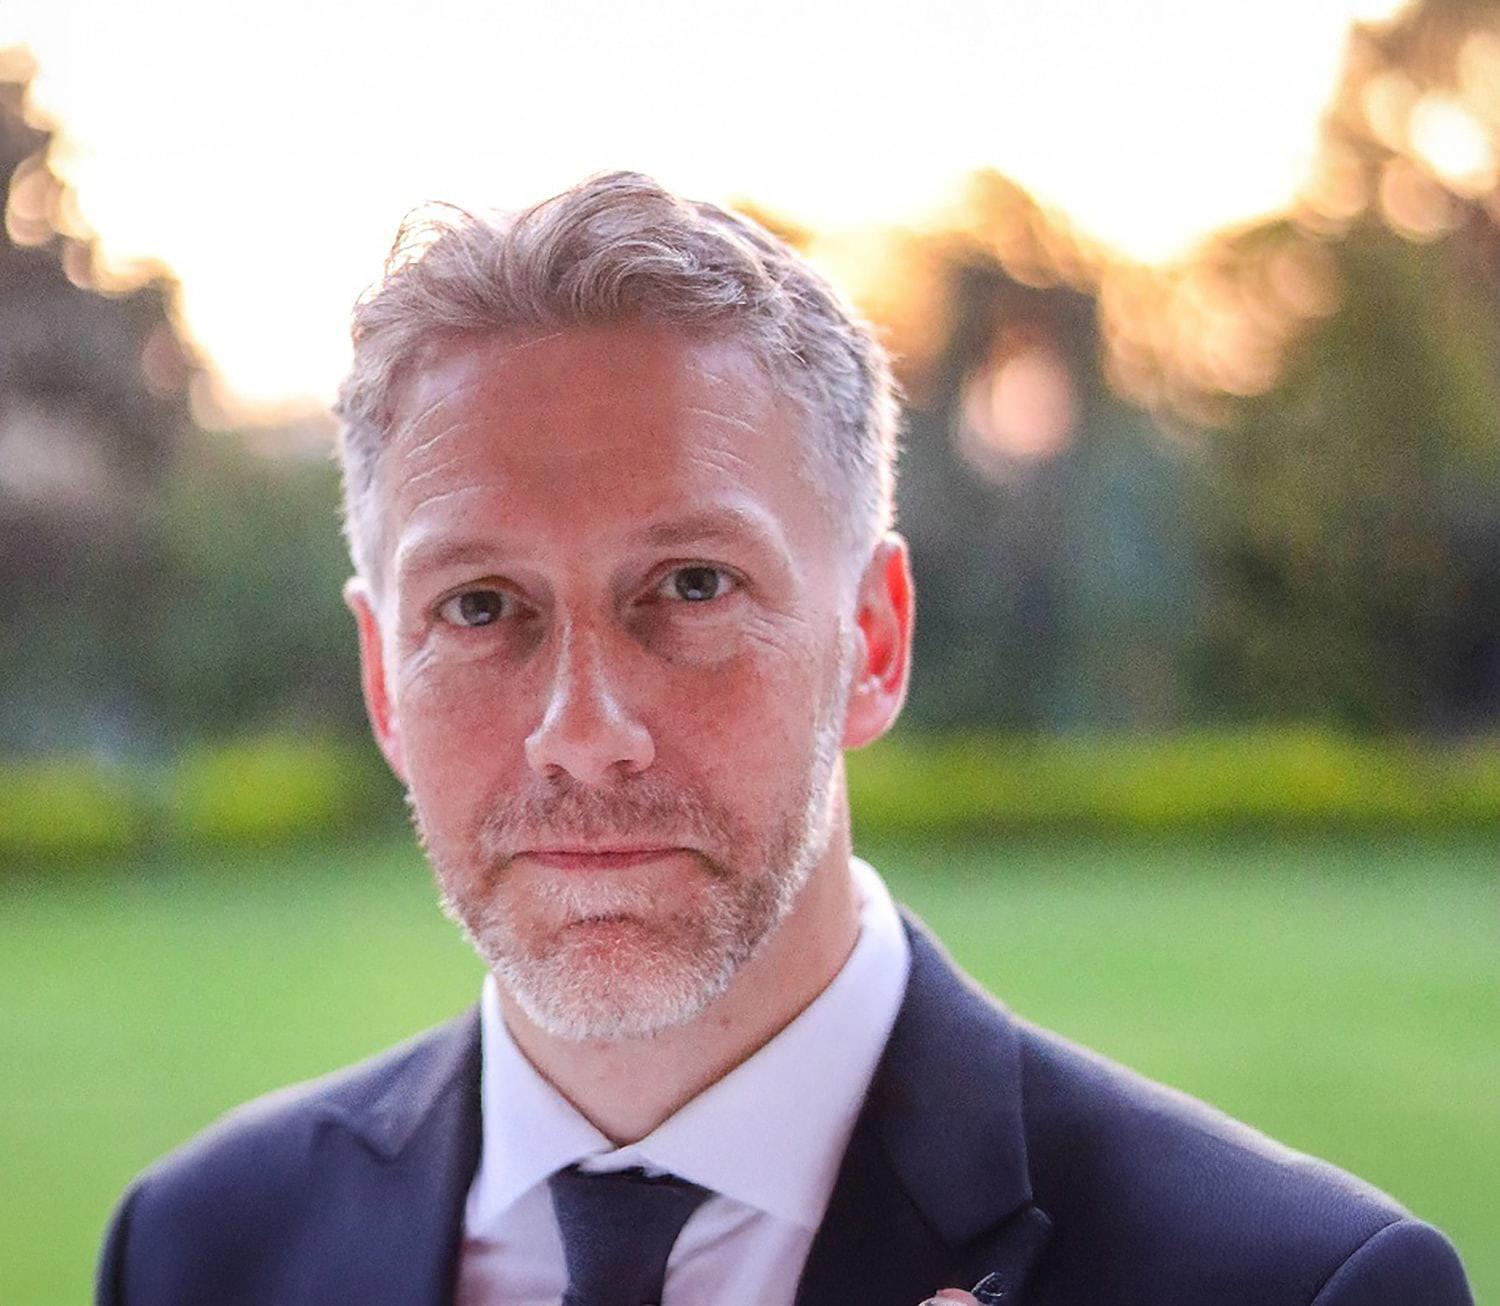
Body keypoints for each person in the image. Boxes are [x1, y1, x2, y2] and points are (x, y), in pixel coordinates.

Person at [96, 172, 1473, 1306]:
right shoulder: (196, 1252)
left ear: (873, 638)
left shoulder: (1298, 1282)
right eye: (478, 605)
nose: (583, 734)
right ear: (383, 681)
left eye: (692, 585)